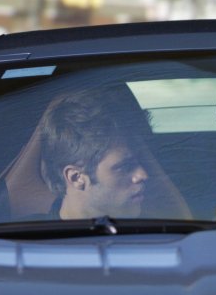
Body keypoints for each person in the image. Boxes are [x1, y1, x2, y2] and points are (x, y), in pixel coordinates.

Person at [39, 87, 151, 219]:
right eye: (125, 166)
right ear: (76, 178)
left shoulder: (156, 227)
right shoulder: (25, 230)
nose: (143, 175)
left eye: (140, 161)